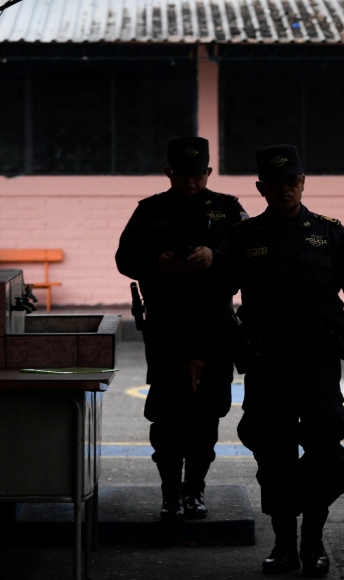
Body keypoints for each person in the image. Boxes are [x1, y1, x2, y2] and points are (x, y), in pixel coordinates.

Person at [224, 144, 344, 577]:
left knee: (322, 450)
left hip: (317, 363)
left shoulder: (330, 232)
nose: (285, 190)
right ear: (261, 188)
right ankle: (283, 544)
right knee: (272, 453)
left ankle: (313, 541)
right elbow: (215, 299)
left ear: (303, 183)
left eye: (292, 182)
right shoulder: (244, 238)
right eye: (275, 184)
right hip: (266, 364)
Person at [115, 136, 247, 521]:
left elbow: (251, 255)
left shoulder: (227, 209)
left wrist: (215, 256)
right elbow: (125, 258)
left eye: (197, 173)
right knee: (168, 416)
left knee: (207, 415)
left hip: (216, 328)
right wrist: (158, 264)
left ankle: (195, 490)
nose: (190, 181)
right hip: (167, 328)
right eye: (181, 174)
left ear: (208, 172)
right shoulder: (150, 211)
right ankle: (170, 492)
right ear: (169, 173)